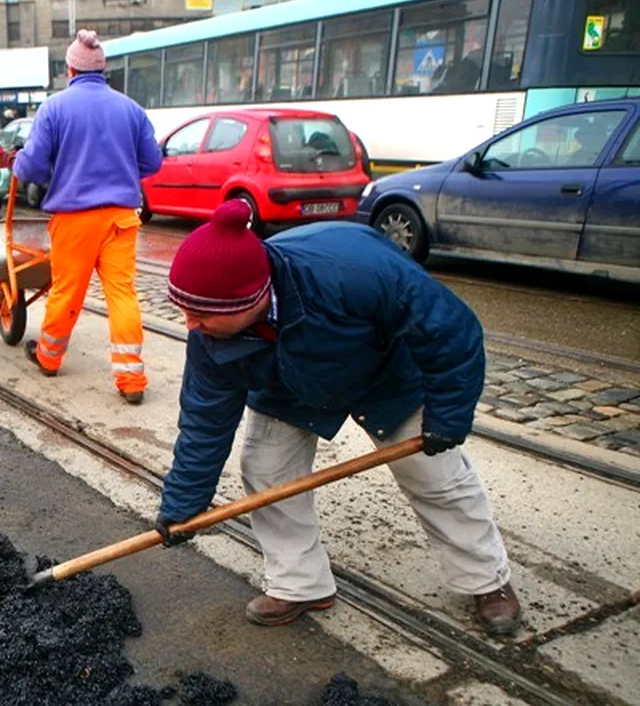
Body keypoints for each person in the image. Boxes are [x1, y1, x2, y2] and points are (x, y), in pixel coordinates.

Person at [156, 200, 521, 637]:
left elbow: (451, 331)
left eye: (201, 313)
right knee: (267, 470)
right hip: (291, 383)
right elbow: (204, 422)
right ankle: (300, 584)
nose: (190, 324)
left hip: (387, 372)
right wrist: (183, 504)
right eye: (184, 309)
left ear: (252, 299)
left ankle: (487, 580)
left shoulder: (353, 271)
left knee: (433, 474)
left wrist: (448, 414)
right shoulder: (211, 339)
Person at [13, 30, 162, 404]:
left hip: (75, 219)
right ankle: (131, 381)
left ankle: (48, 357)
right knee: (122, 294)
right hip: (121, 218)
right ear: (103, 69)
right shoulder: (130, 108)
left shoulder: (54, 108)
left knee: (67, 291)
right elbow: (153, 162)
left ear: (70, 69)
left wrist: (47, 170)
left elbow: (29, 167)